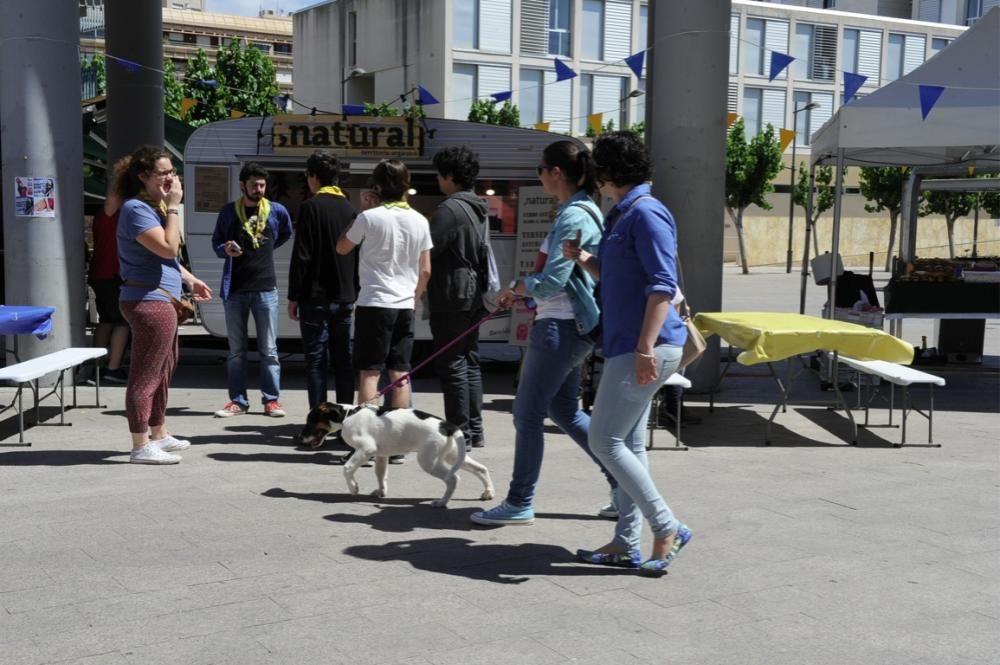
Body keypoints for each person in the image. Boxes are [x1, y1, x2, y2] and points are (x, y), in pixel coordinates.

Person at [563, 131, 692, 577]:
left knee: (604, 441)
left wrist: (644, 348)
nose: (593, 176)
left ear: (610, 173)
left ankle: (666, 525)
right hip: (628, 345)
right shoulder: (624, 214)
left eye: (598, 168)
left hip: (644, 347)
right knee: (630, 444)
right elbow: (620, 278)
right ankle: (625, 541)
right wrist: (582, 258)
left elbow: (662, 284)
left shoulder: (647, 213)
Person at [470, 140, 612, 526]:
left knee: (527, 413)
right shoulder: (580, 211)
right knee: (564, 410)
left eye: (539, 169)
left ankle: (519, 501)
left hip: (561, 326)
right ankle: (622, 484)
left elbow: (551, 282)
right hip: (567, 324)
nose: (538, 176)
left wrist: (516, 287)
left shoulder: (574, 216)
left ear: (554, 173)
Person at [116, 145, 212, 464]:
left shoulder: (151, 207)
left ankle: (159, 433)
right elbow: (168, 249)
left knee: (163, 370)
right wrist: (173, 207)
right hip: (148, 300)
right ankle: (141, 445)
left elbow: (166, 258)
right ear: (144, 176)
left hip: (161, 298)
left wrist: (189, 279)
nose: (171, 177)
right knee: (146, 374)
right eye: (164, 172)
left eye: (173, 171)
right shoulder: (137, 209)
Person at [336, 159, 432, 465]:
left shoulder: (369, 217)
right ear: (406, 185)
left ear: (376, 188)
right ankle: (400, 445)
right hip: (404, 304)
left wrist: (363, 211)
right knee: (400, 373)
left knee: (369, 372)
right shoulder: (420, 220)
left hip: (374, 303)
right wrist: (414, 298)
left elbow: (341, 247)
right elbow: (426, 270)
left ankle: (367, 441)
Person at [211, 163, 293, 418]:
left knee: (269, 351)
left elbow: (285, 235)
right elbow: (216, 243)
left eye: (262, 185)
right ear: (242, 185)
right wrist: (225, 249)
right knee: (236, 351)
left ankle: (272, 401)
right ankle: (238, 401)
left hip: (265, 289)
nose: (258, 189)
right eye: (254, 185)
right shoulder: (228, 212)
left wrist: (262, 248)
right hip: (235, 289)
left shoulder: (277, 211)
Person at [427, 146, 489, 451]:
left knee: (451, 363)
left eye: (440, 174)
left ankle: (459, 432)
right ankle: (475, 430)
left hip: (451, 293)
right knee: (470, 360)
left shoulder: (449, 210)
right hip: (474, 292)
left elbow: (427, 249)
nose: (438, 180)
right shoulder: (478, 207)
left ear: (449, 176)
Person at [288, 151, 359, 410]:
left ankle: (318, 421)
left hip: (314, 296)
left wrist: (294, 296)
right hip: (344, 295)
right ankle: (346, 419)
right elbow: (357, 256)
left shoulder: (309, 207)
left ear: (314, 177)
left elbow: (302, 256)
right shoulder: (351, 209)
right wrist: (355, 290)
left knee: (316, 361)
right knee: (343, 359)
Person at [87, 159, 131, 384]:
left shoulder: (108, 215)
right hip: (111, 273)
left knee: (106, 321)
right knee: (122, 322)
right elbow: (114, 194)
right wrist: (125, 175)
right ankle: (112, 369)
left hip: (102, 273)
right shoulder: (109, 212)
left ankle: (96, 367)